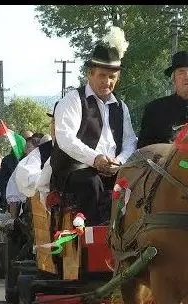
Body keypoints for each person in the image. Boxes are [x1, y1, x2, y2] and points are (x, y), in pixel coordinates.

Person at [50, 26, 138, 226]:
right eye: (102, 75)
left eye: (112, 77)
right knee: (90, 182)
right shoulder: (73, 100)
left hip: (112, 169)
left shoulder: (120, 107)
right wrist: (95, 159)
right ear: (90, 74)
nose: (107, 81)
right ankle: (94, 237)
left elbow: (130, 141)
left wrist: (119, 162)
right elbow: (65, 138)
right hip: (74, 170)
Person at [136, 50, 188, 149]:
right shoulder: (155, 109)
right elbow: (144, 149)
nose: (187, 76)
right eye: (181, 72)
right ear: (173, 80)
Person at [0, 129, 34, 210]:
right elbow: (1, 183)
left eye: (31, 140)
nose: (28, 143)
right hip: (14, 203)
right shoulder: (8, 160)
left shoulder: (41, 159)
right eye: (24, 140)